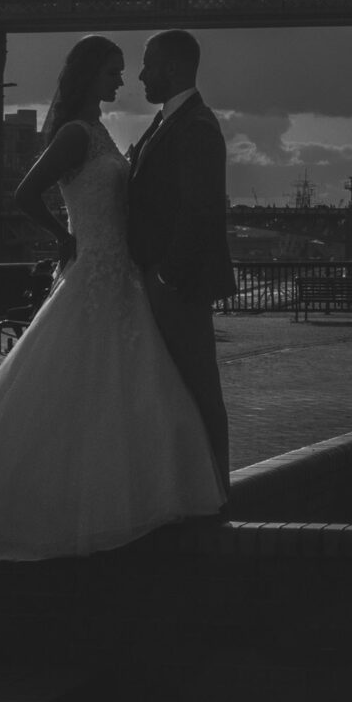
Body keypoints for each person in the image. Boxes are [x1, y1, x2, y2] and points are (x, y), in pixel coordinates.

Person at [0, 35, 225, 561]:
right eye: (112, 73)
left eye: (127, 70)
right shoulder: (77, 134)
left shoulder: (101, 130)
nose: (122, 80)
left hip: (123, 275)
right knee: (88, 390)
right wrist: (62, 236)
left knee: (130, 390)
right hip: (95, 272)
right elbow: (26, 194)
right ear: (89, 74)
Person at [125, 30, 234, 491]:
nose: (141, 74)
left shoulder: (197, 126)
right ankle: (187, 486)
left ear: (171, 67)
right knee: (170, 391)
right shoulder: (167, 122)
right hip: (159, 282)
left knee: (199, 388)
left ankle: (218, 490)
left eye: (148, 64)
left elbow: (200, 208)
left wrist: (167, 276)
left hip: (178, 287)